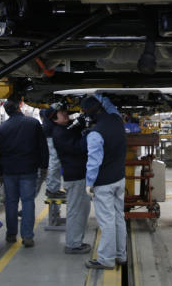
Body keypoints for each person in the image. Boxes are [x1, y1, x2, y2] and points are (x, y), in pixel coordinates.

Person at [0, 99, 48, 248]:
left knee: (11, 202)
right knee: (28, 202)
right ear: (19, 107)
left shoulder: (1, 129)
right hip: (28, 170)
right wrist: (44, 166)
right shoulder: (33, 124)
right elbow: (43, 147)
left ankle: (11, 235)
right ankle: (28, 237)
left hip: (9, 171)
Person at [82, 93, 126, 270]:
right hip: (119, 179)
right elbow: (109, 106)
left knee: (107, 221)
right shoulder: (117, 119)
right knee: (119, 218)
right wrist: (97, 94)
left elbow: (94, 162)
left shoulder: (95, 134)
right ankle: (121, 255)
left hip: (104, 184)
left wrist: (89, 183)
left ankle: (106, 260)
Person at [47, 103, 91, 254]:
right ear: (54, 119)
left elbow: (76, 127)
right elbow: (78, 147)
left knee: (83, 206)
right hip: (74, 176)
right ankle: (73, 244)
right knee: (75, 210)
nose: (64, 114)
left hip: (78, 174)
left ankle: (76, 240)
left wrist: (83, 120)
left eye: (64, 111)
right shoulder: (59, 133)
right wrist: (89, 135)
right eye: (60, 113)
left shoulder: (65, 128)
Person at [39, 107, 65, 199]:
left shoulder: (48, 106)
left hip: (51, 134)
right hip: (51, 135)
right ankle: (52, 190)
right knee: (54, 162)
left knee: (55, 162)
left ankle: (54, 189)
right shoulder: (52, 106)